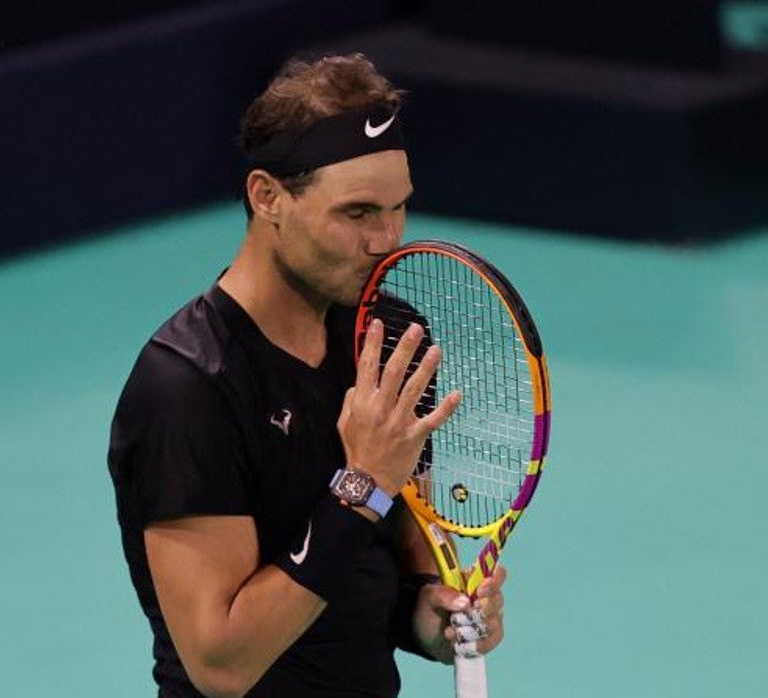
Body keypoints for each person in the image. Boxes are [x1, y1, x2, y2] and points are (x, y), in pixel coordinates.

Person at [107, 53, 506, 698]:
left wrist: (428, 614)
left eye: (398, 207)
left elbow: (388, 563)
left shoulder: (391, 340)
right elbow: (223, 664)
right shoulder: (188, 387)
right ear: (268, 197)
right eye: (356, 213)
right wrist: (364, 483)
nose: (386, 239)